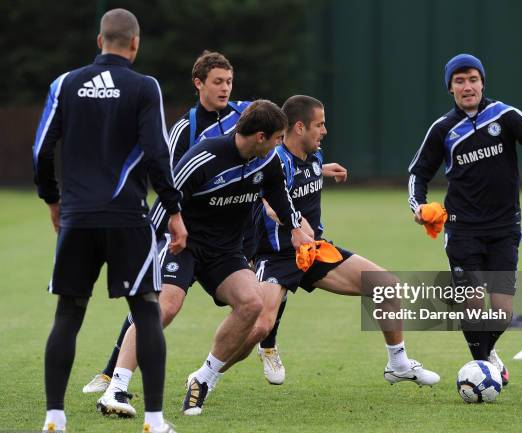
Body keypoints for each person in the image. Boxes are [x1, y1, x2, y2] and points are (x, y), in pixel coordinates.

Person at [83, 51, 346, 392]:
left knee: (255, 300)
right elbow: (171, 183)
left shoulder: (246, 115)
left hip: (237, 232)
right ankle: (112, 374)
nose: (225, 88)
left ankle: (246, 356)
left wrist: (314, 172)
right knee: (163, 301)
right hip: (187, 232)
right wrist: (160, 234)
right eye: (218, 82)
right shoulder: (187, 131)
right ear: (198, 84)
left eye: (229, 82)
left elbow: (278, 146)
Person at [181, 95, 441, 416]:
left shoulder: (314, 155)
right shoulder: (274, 159)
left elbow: (307, 175)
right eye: (319, 124)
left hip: (314, 250)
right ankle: (206, 376)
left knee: (384, 284)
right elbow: (267, 202)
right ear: (300, 127)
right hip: (275, 256)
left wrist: (324, 172)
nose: (325, 130)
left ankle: (398, 364)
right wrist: (296, 226)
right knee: (259, 326)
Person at [95, 100, 312, 417]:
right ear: (261, 136)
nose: (282, 143)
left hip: (225, 251)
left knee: (252, 303)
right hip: (183, 244)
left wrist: (295, 229)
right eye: (279, 137)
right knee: (166, 307)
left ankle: (203, 379)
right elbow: (164, 201)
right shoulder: (204, 156)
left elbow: (279, 195)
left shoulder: (268, 162)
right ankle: (116, 390)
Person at [33, 8, 188, 433]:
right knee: (146, 311)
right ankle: (155, 424)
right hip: (127, 219)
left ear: (99, 41)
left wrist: (52, 200)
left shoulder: (65, 83)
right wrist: (173, 211)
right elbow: (158, 153)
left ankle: (53, 424)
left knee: (68, 314)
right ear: (135, 45)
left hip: (78, 218)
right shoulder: (144, 87)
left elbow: (42, 149)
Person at [408, 53, 522, 385]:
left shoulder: (504, 116)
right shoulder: (443, 129)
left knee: (503, 313)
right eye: (460, 81)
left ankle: (485, 355)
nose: (468, 86)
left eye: (473, 79)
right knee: (472, 308)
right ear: (450, 89)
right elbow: (417, 173)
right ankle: (483, 367)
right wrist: (418, 206)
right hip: (462, 229)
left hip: (505, 228)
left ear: (482, 82)